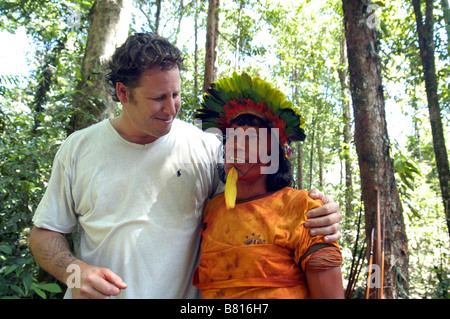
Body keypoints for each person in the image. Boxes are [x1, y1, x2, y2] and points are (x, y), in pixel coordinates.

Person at [29, 33, 342, 299]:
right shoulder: (79, 148)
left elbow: (258, 207)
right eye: (158, 98)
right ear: (124, 92)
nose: (171, 108)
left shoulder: (206, 148)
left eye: (176, 94)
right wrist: (74, 272)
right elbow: (43, 235)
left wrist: (319, 211)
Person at [193, 72, 344, 298]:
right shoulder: (212, 209)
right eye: (232, 137)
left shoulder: (302, 207)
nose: (237, 146)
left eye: (252, 138)